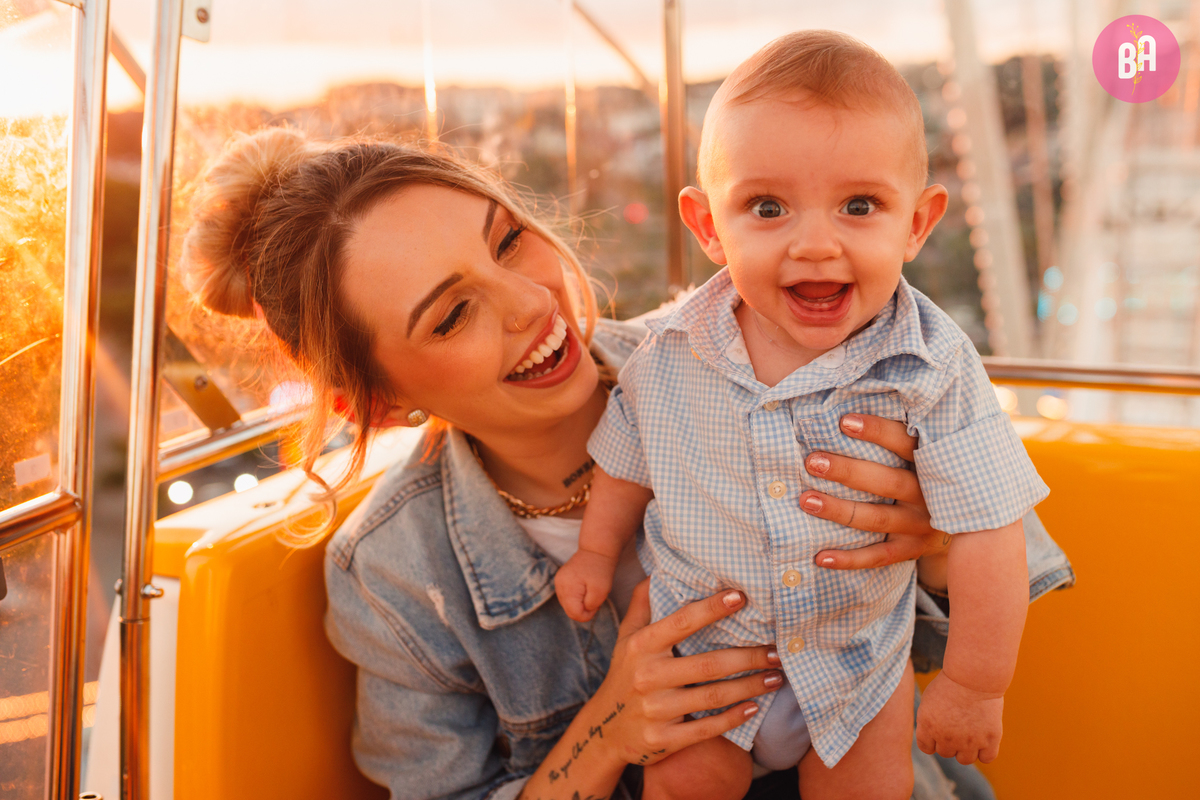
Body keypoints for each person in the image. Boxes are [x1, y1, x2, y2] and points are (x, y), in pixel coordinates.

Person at [180, 123, 1073, 800]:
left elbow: (1008, 562)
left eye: (508, 239)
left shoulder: (757, 336)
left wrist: (932, 542)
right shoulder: (394, 574)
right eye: (451, 316)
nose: (530, 302)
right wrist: (608, 732)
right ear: (375, 402)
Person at [555, 30, 1049, 800]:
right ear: (709, 228)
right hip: (707, 662)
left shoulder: (934, 366)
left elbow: (991, 530)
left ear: (917, 224)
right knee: (685, 787)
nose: (815, 244)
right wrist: (594, 551)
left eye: (859, 206)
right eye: (768, 207)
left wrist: (975, 685)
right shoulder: (671, 351)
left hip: (855, 665)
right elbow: (626, 460)